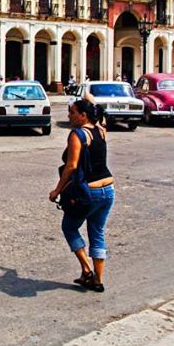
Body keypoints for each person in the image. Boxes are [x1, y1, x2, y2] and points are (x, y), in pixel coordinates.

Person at [49, 98, 115, 293]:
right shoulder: (101, 130)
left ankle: (86, 269)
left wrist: (57, 191)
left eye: (72, 112)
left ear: (83, 115)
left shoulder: (77, 135)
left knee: (69, 227)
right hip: (108, 188)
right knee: (97, 232)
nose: (69, 116)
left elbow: (71, 166)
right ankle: (98, 279)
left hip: (90, 191)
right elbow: (97, 108)